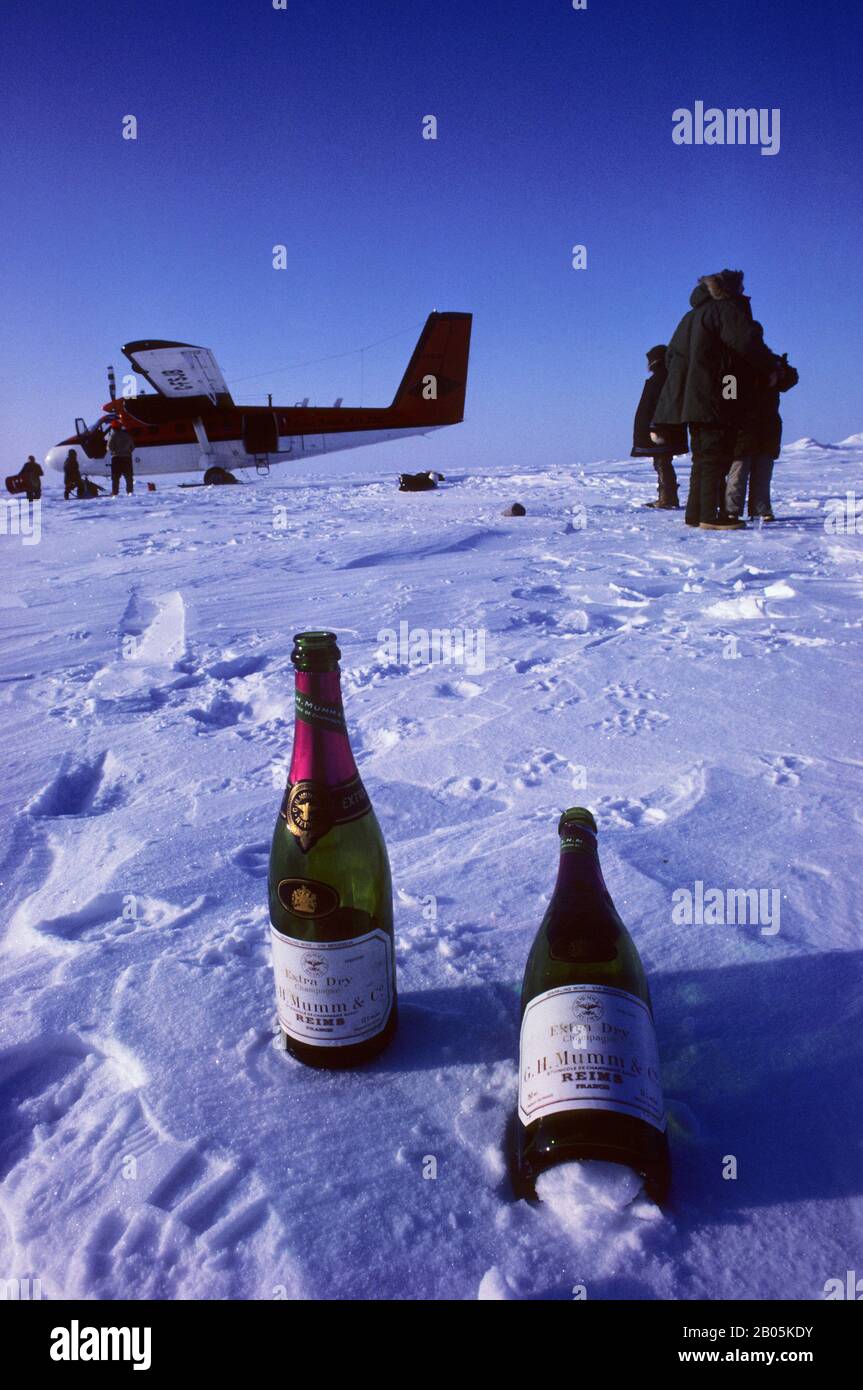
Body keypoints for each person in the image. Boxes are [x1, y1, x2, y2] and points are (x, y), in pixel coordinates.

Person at [652, 269, 780, 530]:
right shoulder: (725, 310)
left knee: (702, 457)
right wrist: (771, 367)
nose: (744, 293)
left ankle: (696, 513)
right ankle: (709, 515)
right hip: (716, 397)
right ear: (731, 289)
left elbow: (671, 357)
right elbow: (745, 343)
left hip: (691, 401)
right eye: (741, 288)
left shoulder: (690, 317)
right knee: (716, 456)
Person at [726, 340, 798, 522]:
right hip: (746, 425)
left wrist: (780, 370)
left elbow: (790, 380)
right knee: (740, 471)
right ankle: (734, 510)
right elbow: (728, 395)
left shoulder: (770, 363)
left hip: (763, 426)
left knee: (757, 471)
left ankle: (753, 509)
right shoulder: (734, 364)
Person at [631, 344, 688, 508]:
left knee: (662, 462)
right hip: (663, 427)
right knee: (662, 461)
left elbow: (658, 405)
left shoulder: (660, 379)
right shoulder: (668, 378)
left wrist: (654, 426)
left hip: (660, 429)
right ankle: (667, 496)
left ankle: (667, 498)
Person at [108, 421, 135, 495]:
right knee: (128, 477)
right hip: (127, 458)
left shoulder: (113, 436)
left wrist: (114, 451)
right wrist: (127, 452)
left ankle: (115, 493)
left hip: (116, 459)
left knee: (115, 478)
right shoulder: (127, 436)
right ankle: (130, 492)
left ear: (113, 428)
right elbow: (132, 447)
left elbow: (109, 447)